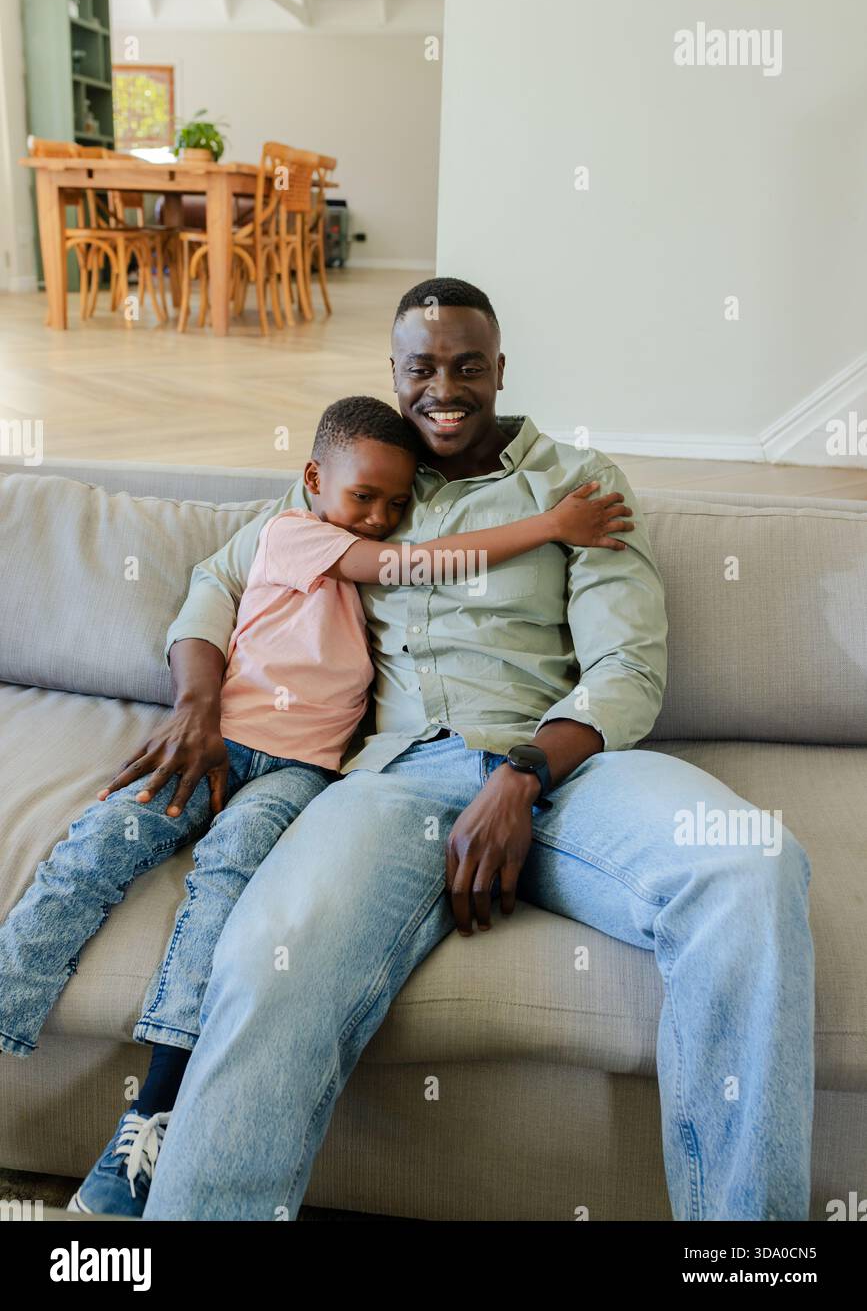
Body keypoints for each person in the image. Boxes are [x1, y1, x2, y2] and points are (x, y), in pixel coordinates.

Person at [137, 277, 813, 1222]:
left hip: (567, 770)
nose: (443, 389)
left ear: (499, 370)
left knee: (751, 860)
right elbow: (219, 578)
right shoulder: (367, 479)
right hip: (392, 783)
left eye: (467, 366)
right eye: (422, 369)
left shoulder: (575, 485)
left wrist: (525, 776)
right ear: (396, 375)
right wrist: (199, 701)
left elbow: (626, 669)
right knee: (271, 954)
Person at [0, 392, 630, 1216]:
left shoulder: (380, 554)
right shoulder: (296, 532)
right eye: (362, 497)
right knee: (98, 846)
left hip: (304, 774)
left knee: (227, 888)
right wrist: (547, 527)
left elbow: (413, 585)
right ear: (311, 482)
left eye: (398, 504)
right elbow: (414, 564)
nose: (379, 518)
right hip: (224, 741)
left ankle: (154, 1114)